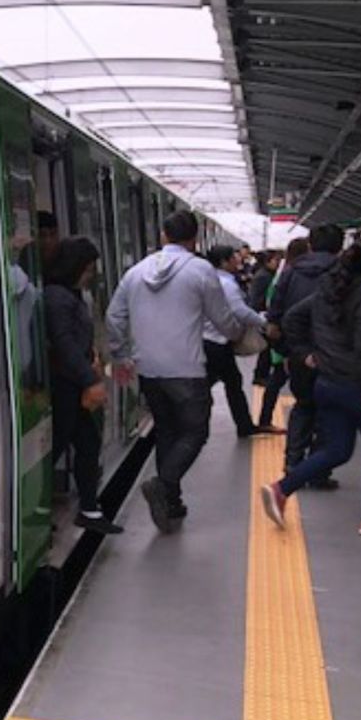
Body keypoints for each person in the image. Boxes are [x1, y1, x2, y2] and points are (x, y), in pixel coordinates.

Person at [107, 210, 244, 533]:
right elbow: (222, 317)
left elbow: (115, 317)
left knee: (167, 431)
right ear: (194, 239)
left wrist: (121, 354)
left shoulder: (135, 272)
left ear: (163, 236)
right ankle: (164, 483)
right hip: (187, 368)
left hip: (149, 369)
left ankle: (171, 502)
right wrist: (237, 334)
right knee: (196, 431)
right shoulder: (201, 271)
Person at [261, 236, 361, 538]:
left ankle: (280, 489)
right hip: (358, 386)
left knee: (336, 449)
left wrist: (307, 353)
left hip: (328, 383)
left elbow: (292, 318)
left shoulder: (328, 288)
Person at [44, 237, 122, 535]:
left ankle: (89, 509)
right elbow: (63, 343)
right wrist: (90, 378)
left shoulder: (67, 295)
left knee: (86, 445)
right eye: (88, 268)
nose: (91, 275)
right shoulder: (57, 298)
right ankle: (45, 512)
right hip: (66, 385)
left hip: (74, 382)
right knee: (59, 445)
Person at [267, 224, 344, 486]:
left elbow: (275, 313)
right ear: (340, 245)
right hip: (334, 354)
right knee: (328, 412)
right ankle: (317, 472)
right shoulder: (344, 271)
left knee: (303, 406)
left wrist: (287, 351)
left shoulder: (290, 272)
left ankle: (292, 463)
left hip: (300, 353)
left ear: (311, 244)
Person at [202, 245, 281, 437]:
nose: (238, 259)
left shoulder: (212, 279)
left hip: (211, 341)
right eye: (234, 256)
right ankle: (241, 426)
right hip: (217, 342)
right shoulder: (226, 284)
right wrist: (263, 322)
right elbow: (239, 311)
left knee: (231, 382)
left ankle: (244, 426)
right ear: (223, 262)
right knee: (222, 384)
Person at [256, 239, 308, 428]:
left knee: (278, 378)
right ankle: (266, 419)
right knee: (280, 378)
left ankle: (265, 419)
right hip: (288, 337)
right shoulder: (290, 276)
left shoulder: (283, 276)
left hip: (282, 336)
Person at [248, 250, 281, 386]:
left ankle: (262, 374)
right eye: (276, 261)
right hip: (263, 314)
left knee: (267, 347)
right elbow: (257, 298)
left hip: (264, 313)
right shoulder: (264, 276)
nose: (278, 263)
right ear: (268, 261)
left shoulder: (268, 274)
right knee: (266, 347)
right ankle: (260, 375)